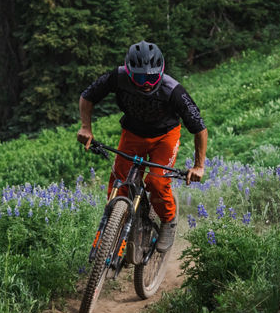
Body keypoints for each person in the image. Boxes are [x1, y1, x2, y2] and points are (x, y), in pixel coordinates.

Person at [77, 40, 207, 253]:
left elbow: (200, 128)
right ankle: (120, 228)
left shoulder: (173, 90)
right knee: (120, 183)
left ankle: (168, 220)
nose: (146, 83)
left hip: (165, 137)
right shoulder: (117, 77)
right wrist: (86, 127)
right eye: (139, 77)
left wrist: (199, 165)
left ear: (161, 72)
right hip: (133, 133)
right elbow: (87, 97)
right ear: (129, 72)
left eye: (152, 77)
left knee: (156, 182)